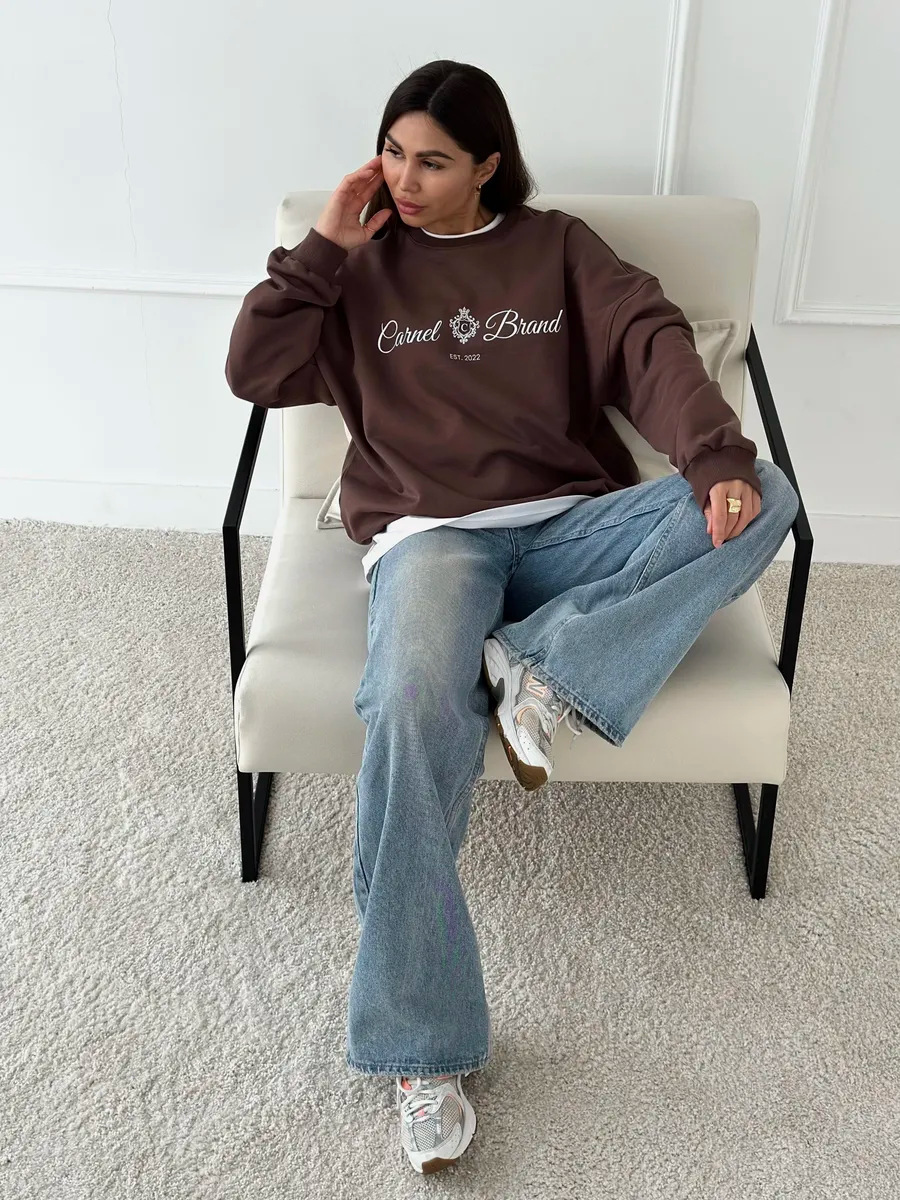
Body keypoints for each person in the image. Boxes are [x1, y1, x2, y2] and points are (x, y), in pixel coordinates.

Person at [224, 59, 800, 1175]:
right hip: (431, 538)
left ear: (489, 164)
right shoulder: (355, 266)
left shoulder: (557, 249)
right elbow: (255, 371)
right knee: (409, 709)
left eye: (434, 161)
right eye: (394, 154)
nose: (406, 179)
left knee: (765, 492)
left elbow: (651, 340)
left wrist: (713, 454)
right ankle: (424, 1052)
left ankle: (546, 664)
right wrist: (324, 249)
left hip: (568, 523)